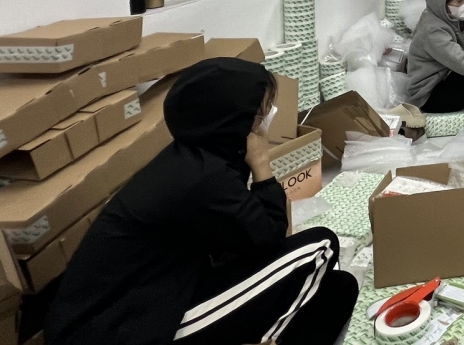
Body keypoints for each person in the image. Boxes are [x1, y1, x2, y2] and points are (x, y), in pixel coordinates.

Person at [46, 59, 357, 345]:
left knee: (338, 288)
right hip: (121, 328)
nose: (267, 119)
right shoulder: (202, 178)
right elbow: (270, 237)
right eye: (260, 112)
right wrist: (262, 166)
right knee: (321, 246)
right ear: (233, 119)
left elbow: (243, 239)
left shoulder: (196, 158)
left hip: (163, 291)